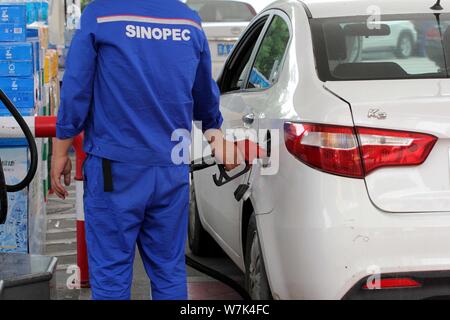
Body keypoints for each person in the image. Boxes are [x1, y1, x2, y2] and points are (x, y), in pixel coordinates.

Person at [51, 0, 241, 300]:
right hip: (171, 169)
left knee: (112, 275)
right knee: (169, 272)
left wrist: (60, 150)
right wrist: (215, 136)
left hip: (115, 170)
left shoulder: (101, 15)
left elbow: (76, 89)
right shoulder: (188, 22)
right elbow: (205, 97)